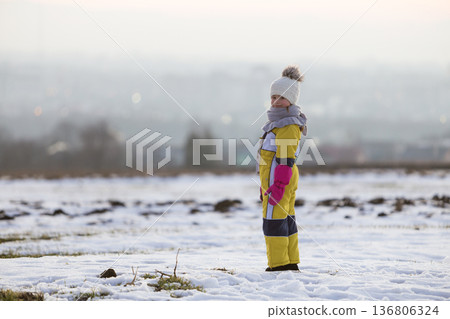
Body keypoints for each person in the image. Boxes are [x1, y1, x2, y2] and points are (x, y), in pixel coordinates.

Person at [258, 65, 308, 271]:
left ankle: (278, 264)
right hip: (276, 179)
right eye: (273, 97)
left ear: (292, 100)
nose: (275, 102)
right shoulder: (280, 123)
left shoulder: (287, 124)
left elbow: (285, 158)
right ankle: (289, 260)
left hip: (280, 179)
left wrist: (278, 185)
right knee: (287, 218)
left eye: (281, 98)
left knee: (273, 219)